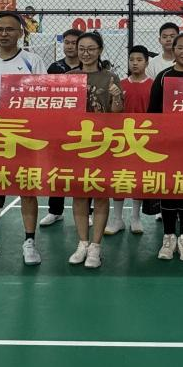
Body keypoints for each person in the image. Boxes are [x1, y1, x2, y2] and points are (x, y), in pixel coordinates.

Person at [0, 12, 47, 266]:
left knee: (27, 190)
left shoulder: (33, 61)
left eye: (9, 29)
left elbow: (44, 96)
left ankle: (29, 242)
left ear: (20, 33)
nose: (3, 33)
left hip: (25, 135)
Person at [67, 32, 124, 269]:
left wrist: (116, 98)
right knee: (79, 195)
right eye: (82, 48)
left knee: (101, 194)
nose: (86, 53)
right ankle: (82, 243)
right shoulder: (68, 78)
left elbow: (117, 114)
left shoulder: (110, 77)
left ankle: (96, 246)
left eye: (91, 48)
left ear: (100, 50)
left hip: (102, 144)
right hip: (75, 144)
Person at [148, 33, 183, 261]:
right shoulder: (163, 77)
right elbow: (153, 113)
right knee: (169, 189)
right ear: (173, 50)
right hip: (168, 145)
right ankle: (169, 236)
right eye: (180, 47)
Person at [108, 46, 154, 235]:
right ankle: (117, 219)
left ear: (146, 62)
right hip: (121, 139)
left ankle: (135, 218)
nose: (135, 63)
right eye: (132, 59)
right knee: (120, 179)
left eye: (139, 60)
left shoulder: (153, 85)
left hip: (144, 140)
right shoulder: (119, 85)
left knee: (139, 179)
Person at [42, 28, 85, 225]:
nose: (70, 46)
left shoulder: (91, 67)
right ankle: (55, 211)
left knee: (83, 172)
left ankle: (87, 212)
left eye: (74, 43)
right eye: (66, 42)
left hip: (84, 128)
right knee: (57, 170)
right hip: (58, 127)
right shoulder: (54, 67)